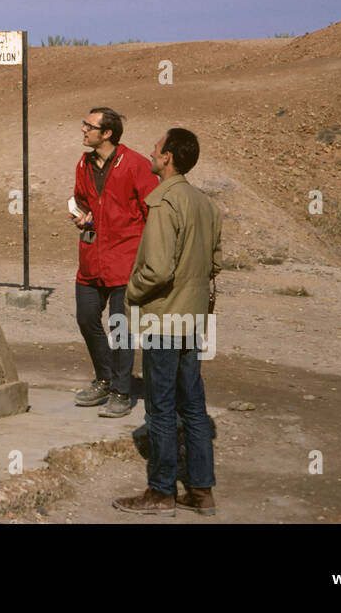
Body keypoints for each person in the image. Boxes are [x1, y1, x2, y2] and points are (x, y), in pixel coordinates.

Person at [112, 128, 222, 517]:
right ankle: (201, 491)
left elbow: (157, 270)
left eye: (157, 149)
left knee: (159, 409)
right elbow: (215, 262)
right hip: (193, 319)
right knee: (192, 407)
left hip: (164, 321)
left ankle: (160, 492)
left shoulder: (164, 202)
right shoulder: (205, 204)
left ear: (168, 158)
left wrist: (131, 292)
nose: (151, 153)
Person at [70, 107, 159, 418]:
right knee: (86, 317)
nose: (83, 130)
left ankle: (121, 391)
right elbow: (82, 198)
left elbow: (154, 213)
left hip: (126, 259)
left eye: (89, 126)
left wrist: (147, 257)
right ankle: (105, 378)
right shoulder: (83, 163)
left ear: (107, 133)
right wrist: (83, 217)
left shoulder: (136, 164)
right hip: (92, 258)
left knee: (120, 327)